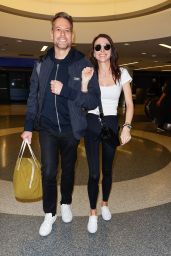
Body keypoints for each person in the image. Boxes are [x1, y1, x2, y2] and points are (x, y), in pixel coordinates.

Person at [21, 12, 100, 237]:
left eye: (66, 30)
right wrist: (28, 127)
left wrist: (66, 91)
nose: (62, 34)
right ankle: (49, 213)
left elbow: (92, 100)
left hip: (70, 129)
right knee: (48, 171)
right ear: (51, 33)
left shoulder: (82, 63)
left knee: (67, 170)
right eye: (58, 29)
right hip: (46, 128)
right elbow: (33, 96)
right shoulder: (41, 64)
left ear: (72, 35)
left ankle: (65, 202)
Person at [84, 34, 134, 233]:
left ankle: (105, 203)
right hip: (91, 122)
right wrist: (84, 82)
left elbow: (129, 104)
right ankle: (93, 212)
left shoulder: (122, 73)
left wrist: (127, 126)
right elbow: (81, 100)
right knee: (94, 173)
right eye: (98, 47)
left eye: (106, 46)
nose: (102, 50)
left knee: (108, 170)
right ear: (93, 52)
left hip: (111, 123)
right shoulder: (88, 72)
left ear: (112, 50)